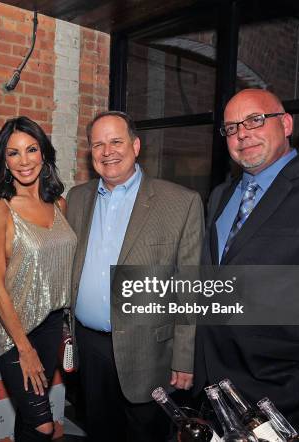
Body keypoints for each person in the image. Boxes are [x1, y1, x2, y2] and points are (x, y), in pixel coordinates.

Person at [194, 88, 299, 439]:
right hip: (217, 393)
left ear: (285, 124)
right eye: (231, 127)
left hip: (288, 402)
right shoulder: (222, 195)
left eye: (255, 120)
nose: (242, 133)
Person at [66, 110, 204, 442]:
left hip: (149, 353)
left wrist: (184, 358)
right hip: (90, 346)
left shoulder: (180, 202)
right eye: (98, 144)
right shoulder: (77, 198)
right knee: (99, 431)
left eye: (116, 141)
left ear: (136, 145)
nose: (107, 151)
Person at [0, 116, 77, 442]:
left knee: (28, 416)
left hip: (51, 326)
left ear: (44, 153)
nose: (24, 161)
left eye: (31, 149)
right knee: (43, 426)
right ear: (4, 161)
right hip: (15, 332)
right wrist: (24, 348)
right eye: (13, 153)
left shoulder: (59, 204)